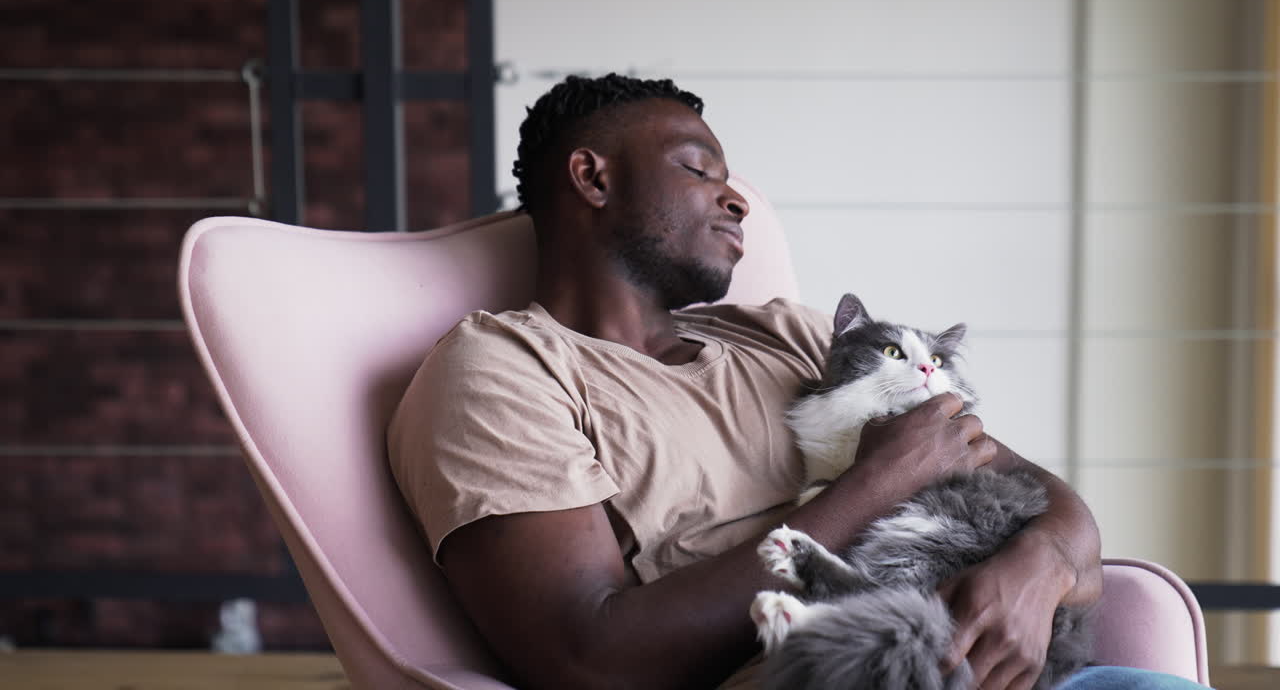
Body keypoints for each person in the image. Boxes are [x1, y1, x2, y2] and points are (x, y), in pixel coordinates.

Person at [388, 74, 1206, 690]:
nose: (736, 200)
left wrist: (1038, 568)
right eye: (698, 169)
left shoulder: (797, 337)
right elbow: (588, 657)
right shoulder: (503, 371)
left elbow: (1044, 502)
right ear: (592, 179)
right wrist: (878, 482)